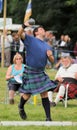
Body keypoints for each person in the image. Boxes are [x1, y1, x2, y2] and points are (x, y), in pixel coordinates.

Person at [17, 21, 57, 121]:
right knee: (27, 94)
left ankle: (48, 118)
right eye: (41, 29)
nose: (43, 30)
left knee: (44, 93)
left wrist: (50, 56)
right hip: (31, 70)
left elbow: (52, 61)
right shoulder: (30, 39)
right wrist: (24, 26)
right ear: (36, 33)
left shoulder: (47, 45)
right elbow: (19, 33)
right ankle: (21, 107)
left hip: (40, 72)